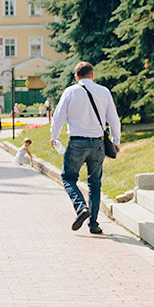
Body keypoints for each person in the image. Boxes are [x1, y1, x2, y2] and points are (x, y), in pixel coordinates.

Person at [50, 61, 121, 234]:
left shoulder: (70, 92)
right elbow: (113, 118)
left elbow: (58, 117)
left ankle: (81, 207)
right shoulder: (104, 92)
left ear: (76, 76)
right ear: (92, 75)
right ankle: (94, 223)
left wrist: (54, 136)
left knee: (68, 178)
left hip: (77, 143)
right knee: (95, 183)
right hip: (98, 143)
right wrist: (116, 140)